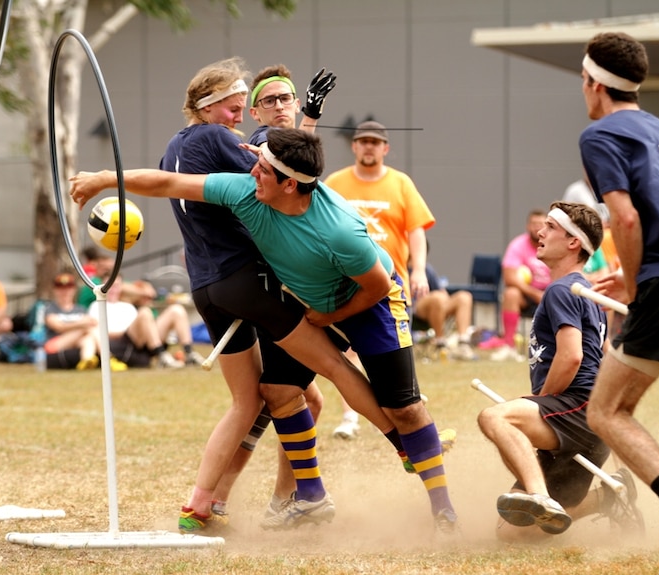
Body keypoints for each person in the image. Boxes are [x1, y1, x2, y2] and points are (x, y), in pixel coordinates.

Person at [69, 127, 462, 536]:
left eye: (261, 169)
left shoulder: (340, 231)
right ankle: (311, 494)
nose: (251, 173)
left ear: (290, 184)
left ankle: (443, 509)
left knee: (404, 408)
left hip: (371, 302)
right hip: (317, 306)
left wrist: (332, 317)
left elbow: (378, 285)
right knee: (278, 392)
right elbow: (169, 182)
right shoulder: (244, 191)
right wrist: (103, 179)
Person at [576, 32, 659, 575]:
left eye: (583, 80)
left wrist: (637, 284)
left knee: (607, 410)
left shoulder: (600, 133)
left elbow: (625, 218)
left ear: (595, 84)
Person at [208, 63, 333, 518]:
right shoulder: (259, 148)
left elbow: (300, 161)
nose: (280, 106)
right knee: (284, 397)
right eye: (270, 101)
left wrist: (311, 119)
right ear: (255, 113)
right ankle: (283, 499)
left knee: (284, 399)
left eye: (288, 98)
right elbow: (291, 159)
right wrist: (311, 120)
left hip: (278, 285)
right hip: (267, 287)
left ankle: (252, 497)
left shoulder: (277, 145)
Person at [477, 201, 642, 541]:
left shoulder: (560, 290)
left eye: (551, 227)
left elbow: (571, 358)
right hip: (589, 422)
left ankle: (538, 495)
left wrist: (538, 401)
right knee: (511, 534)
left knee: (495, 418)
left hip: (577, 409)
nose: (540, 232)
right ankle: (607, 499)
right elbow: (607, 352)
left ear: (573, 243)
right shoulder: (586, 292)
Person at [323, 121, 461, 442]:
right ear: (354, 147)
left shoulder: (401, 183)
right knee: (347, 357)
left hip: (390, 289)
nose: (369, 147)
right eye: (363, 141)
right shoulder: (335, 182)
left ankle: (403, 416)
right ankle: (349, 418)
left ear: (385, 149)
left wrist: (418, 269)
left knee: (392, 361)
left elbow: (416, 230)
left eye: (375, 142)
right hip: (343, 282)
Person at [479, 209, 551, 361]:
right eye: (533, 224)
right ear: (527, 226)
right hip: (527, 294)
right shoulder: (517, 245)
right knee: (511, 293)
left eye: (540, 224)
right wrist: (535, 294)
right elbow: (509, 277)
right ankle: (508, 345)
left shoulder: (553, 244)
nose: (536, 228)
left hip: (552, 292)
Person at [87, 275, 185, 369]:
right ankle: (161, 354)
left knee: (176, 310)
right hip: (122, 341)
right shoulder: (96, 306)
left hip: (140, 340)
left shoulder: (128, 306)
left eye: (116, 286)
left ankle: (188, 352)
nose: (113, 289)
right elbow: (95, 331)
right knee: (144, 312)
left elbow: (150, 293)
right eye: (109, 286)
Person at [40, 272, 101, 370]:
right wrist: (81, 324)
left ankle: (87, 361)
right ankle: (108, 357)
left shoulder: (80, 309)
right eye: (61, 288)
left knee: (88, 339)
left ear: (74, 290)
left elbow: (92, 322)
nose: (65, 292)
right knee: (87, 329)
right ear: (55, 290)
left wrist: (84, 324)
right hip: (54, 343)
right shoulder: (50, 308)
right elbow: (59, 327)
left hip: (76, 342)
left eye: (68, 288)